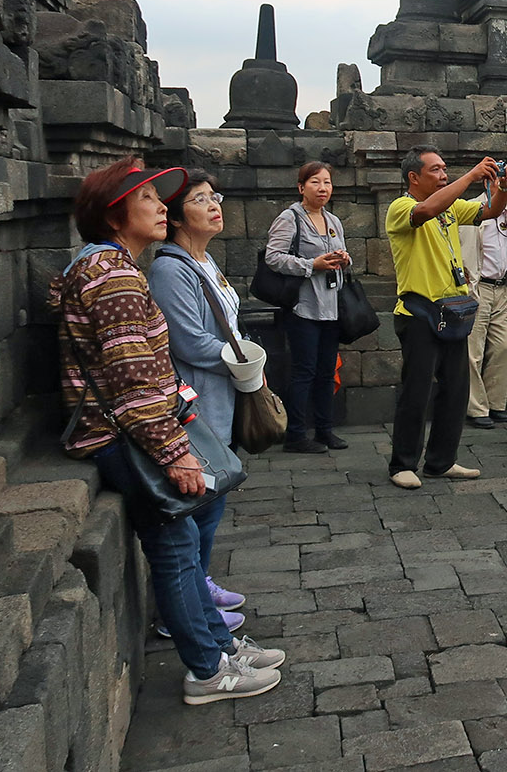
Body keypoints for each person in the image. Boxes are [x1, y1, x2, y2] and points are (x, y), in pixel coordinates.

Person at [50, 157, 283, 705]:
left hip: (133, 428)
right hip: (126, 435)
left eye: (160, 199)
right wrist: (176, 454)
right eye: (149, 200)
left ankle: (218, 646)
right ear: (114, 215)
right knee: (176, 548)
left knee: (182, 546)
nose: (162, 208)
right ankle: (206, 669)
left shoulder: (112, 267)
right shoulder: (113, 277)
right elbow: (134, 380)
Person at [148, 169, 253, 637]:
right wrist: (242, 358)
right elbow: (189, 342)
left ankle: (201, 584)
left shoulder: (204, 261)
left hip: (219, 394)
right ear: (175, 216)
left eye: (215, 197)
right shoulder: (171, 269)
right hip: (198, 399)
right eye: (200, 200)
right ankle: (185, 607)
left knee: (213, 501)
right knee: (200, 505)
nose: (213, 206)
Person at [386, 146, 507, 489]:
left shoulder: (452, 208)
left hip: (453, 311)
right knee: (416, 391)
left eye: (445, 169)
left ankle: (441, 461)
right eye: (436, 170)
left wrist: (502, 188)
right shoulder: (401, 207)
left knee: (456, 391)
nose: (444, 175)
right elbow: (426, 210)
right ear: (414, 177)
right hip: (418, 313)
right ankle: (402, 464)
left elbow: (490, 210)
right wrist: (471, 176)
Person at [262, 161, 351, 454]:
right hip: (303, 306)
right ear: (301, 187)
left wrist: (344, 259)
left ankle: (325, 430)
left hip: (332, 306)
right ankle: (296, 434)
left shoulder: (333, 220)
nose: (322, 188)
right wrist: (311, 265)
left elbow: (341, 254)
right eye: (315, 182)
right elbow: (273, 257)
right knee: (304, 371)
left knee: (326, 371)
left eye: (327, 182)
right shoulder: (290, 218)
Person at [461, 176, 507, 431]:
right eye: (499, 182)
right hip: (478, 287)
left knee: (503, 347)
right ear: (486, 185)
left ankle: (495, 403)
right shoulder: (472, 208)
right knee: (473, 350)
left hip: (501, 288)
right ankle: (475, 408)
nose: (505, 187)